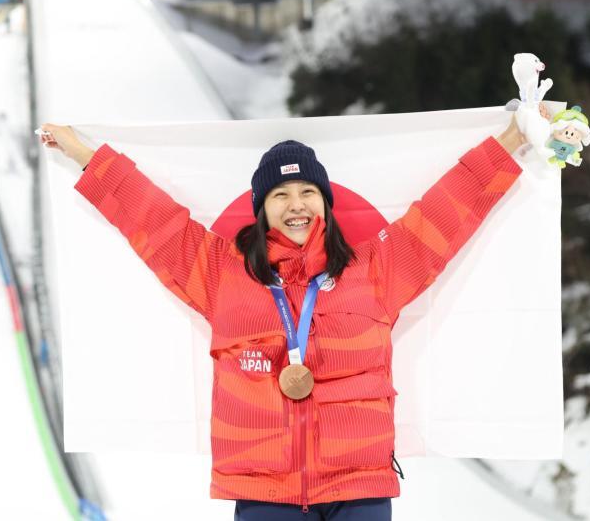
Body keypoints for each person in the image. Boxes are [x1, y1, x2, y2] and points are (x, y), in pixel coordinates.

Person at [38, 117, 527, 520]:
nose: (296, 205)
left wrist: (512, 139)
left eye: (308, 192)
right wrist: (86, 156)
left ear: (325, 203)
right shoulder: (222, 274)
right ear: (261, 210)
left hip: (359, 488)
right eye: (281, 195)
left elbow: (443, 215)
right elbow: (154, 220)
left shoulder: (374, 270)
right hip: (263, 492)